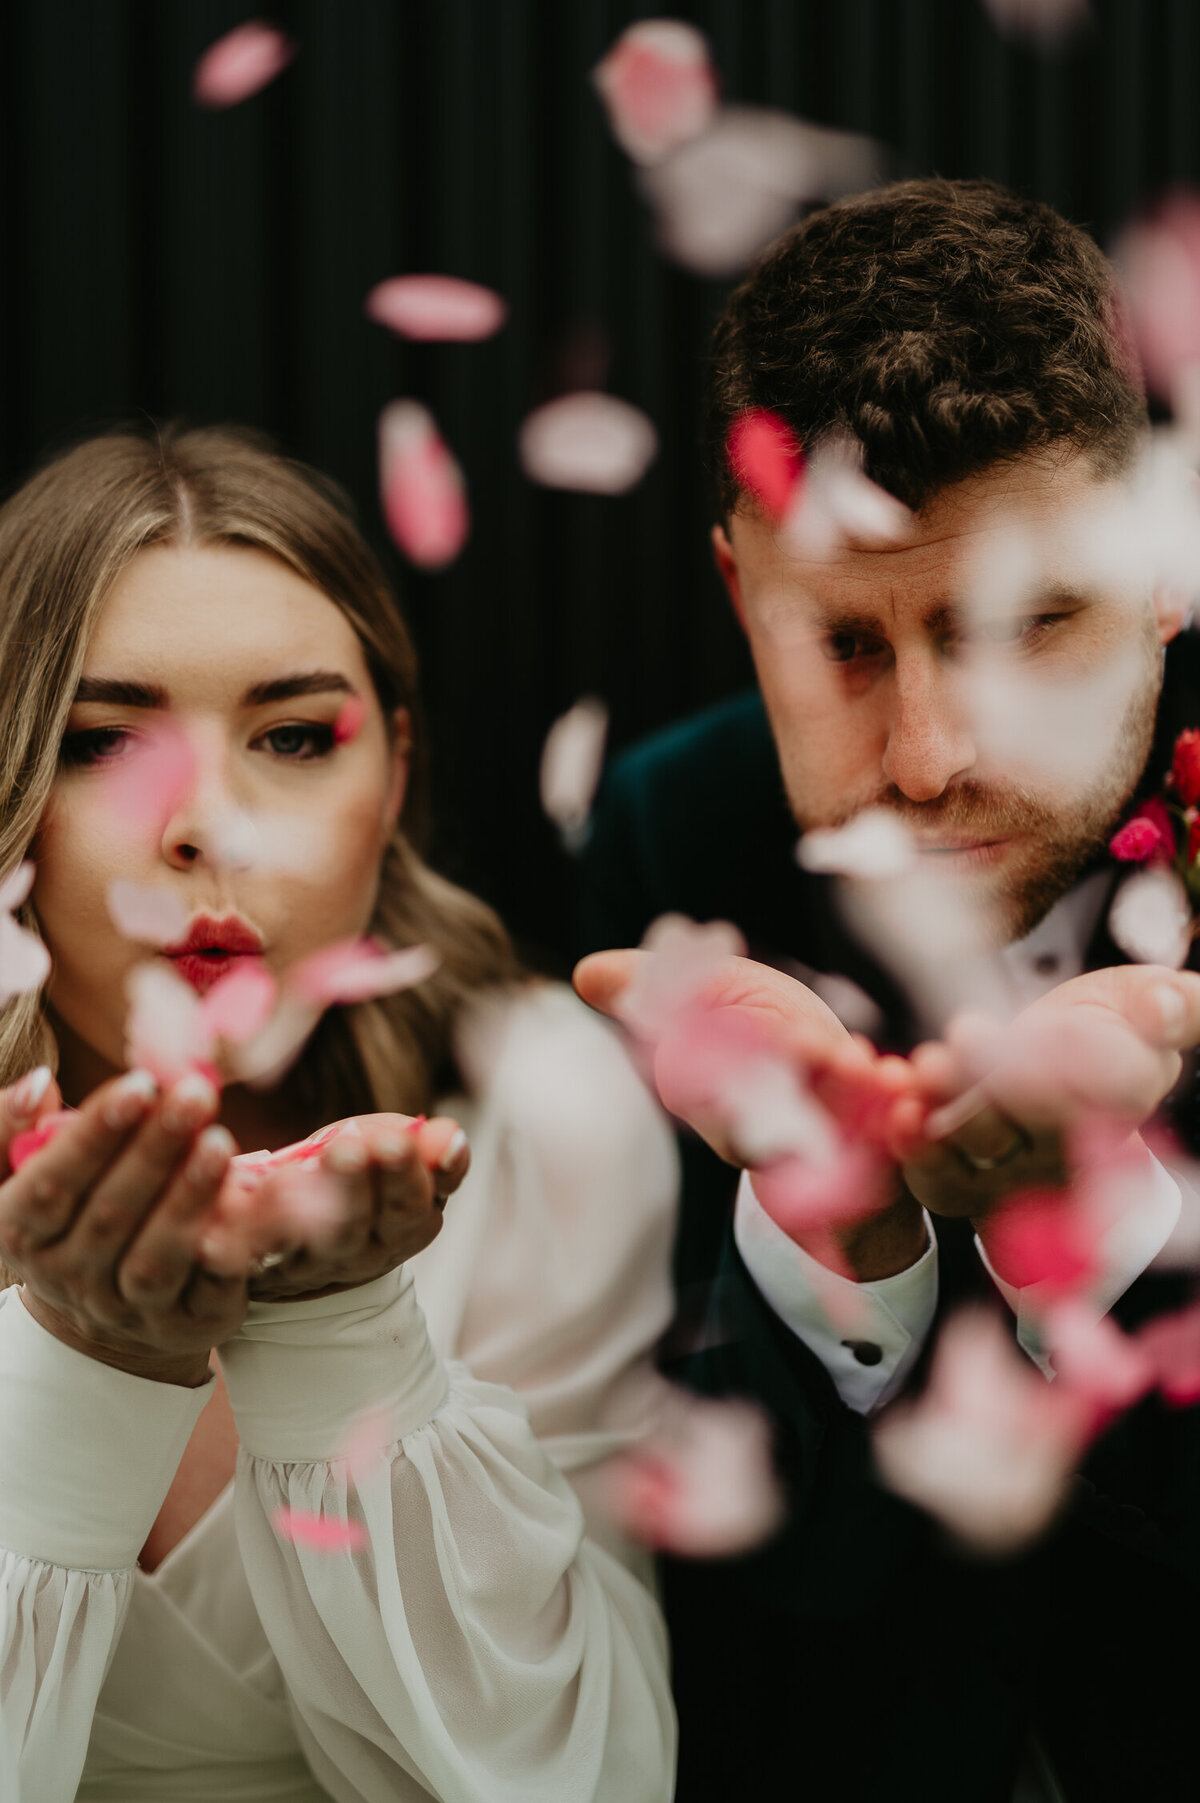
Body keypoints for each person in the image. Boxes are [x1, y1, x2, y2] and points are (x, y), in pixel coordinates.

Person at [577, 178, 1200, 1801]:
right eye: (846, 647)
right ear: (737, 591)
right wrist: (844, 1271)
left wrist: (1106, 1253)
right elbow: (695, 1599)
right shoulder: (669, 836)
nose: (928, 760)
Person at [0, 424, 677, 1802]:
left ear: (398, 778)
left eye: (296, 736)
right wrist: (83, 1363)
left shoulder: (541, 1105)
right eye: (104, 743)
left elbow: (600, 1773)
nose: (214, 830)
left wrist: (349, 1347)